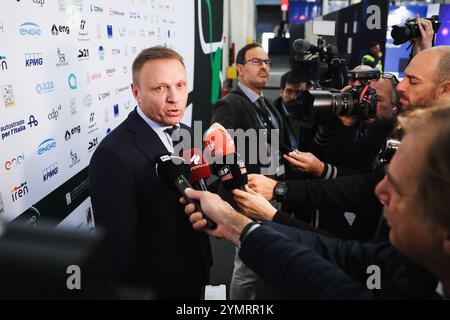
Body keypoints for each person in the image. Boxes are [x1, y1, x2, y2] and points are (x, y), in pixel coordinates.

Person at [182, 105, 450, 299]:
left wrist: (262, 215)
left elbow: (329, 284)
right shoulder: (409, 262)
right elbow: (344, 256)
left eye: (398, 187)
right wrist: (236, 224)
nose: (379, 191)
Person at [89, 47, 211, 299]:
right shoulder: (113, 154)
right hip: (156, 288)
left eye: (180, 85)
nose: (175, 97)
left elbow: (198, 192)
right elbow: (119, 247)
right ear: (136, 92)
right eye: (160, 88)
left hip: (197, 271)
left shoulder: (187, 133)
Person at [211, 43, 285, 299]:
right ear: (240, 69)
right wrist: (240, 186)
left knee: (264, 258)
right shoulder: (229, 104)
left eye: (267, 62)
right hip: (249, 198)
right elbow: (216, 150)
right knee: (247, 266)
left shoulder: (267, 104)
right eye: (256, 61)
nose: (264, 66)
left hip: (272, 193)